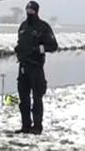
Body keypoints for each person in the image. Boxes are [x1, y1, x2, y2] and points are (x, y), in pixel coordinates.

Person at [15, 1, 58, 134]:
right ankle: (25, 125)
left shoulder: (43, 27)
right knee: (23, 98)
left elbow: (53, 46)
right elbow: (20, 42)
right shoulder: (23, 26)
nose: (29, 12)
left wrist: (40, 48)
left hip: (36, 67)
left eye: (32, 10)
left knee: (37, 97)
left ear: (36, 11)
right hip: (23, 67)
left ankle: (37, 126)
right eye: (27, 9)